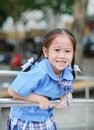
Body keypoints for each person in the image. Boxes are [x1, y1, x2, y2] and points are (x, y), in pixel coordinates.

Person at [7, 28, 80, 130]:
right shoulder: (40, 72)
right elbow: (12, 90)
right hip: (25, 119)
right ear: (46, 52)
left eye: (67, 51)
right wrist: (39, 99)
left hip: (46, 117)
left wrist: (67, 96)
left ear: (73, 53)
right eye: (57, 50)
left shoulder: (67, 73)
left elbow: (67, 89)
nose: (62, 56)